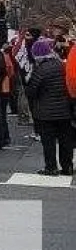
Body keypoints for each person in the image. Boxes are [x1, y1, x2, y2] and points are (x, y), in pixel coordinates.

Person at [25, 38, 74, 176]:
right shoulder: (62, 65)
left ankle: (51, 167)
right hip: (64, 110)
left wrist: (28, 80)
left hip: (45, 112)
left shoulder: (40, 70)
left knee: (48, 142)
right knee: (65, 141)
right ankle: (67, 166)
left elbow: (31, 92)